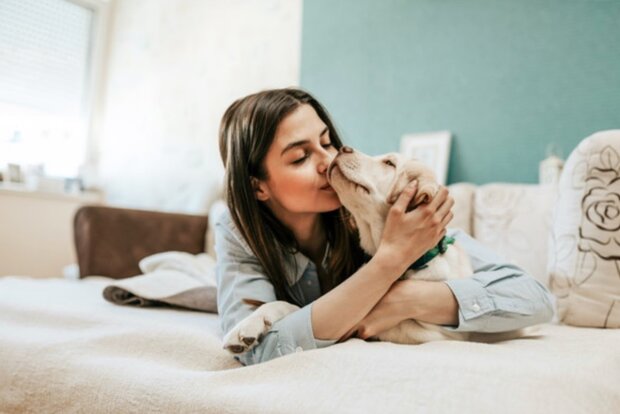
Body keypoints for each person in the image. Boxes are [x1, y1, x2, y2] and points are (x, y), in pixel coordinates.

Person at [214, 87, 555, 366]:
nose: (327, 160)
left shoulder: (375, 209)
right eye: (300, 157)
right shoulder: (238, 231)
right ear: (258, 186)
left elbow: (536, 299)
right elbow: (256, 350)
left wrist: (407, 298)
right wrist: (388, 261)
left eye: (326, 142)